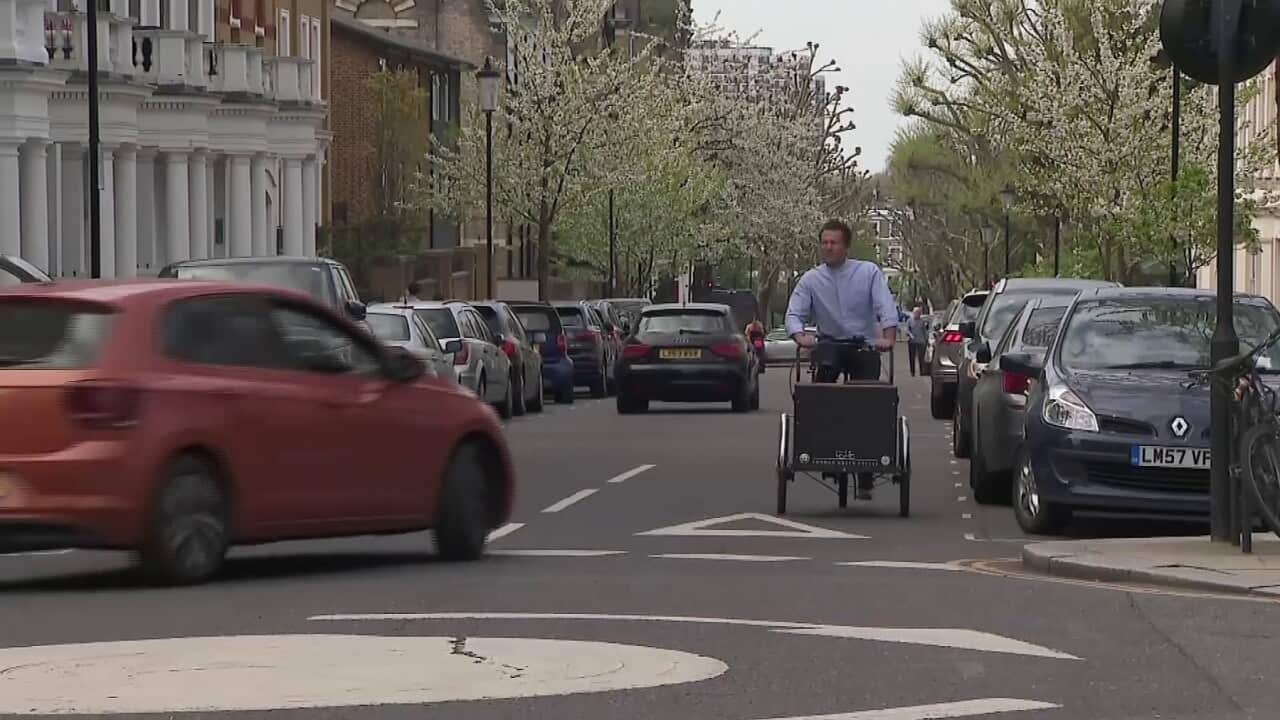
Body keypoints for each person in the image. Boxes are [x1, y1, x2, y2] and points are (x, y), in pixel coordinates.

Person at [785, 218, 898, 500]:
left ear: (846, 246)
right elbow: (794, 313)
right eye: (824, 242)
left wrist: (888, 336)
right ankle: (824, 451)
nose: (828, 247)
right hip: (830, 344)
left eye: (834, 242)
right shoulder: (811, 279)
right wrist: (800, 336)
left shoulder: (868, 272)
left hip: (863, 344)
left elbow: (885, 305)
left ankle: (866, 472)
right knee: (821, 391)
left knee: (869, 401)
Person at [906, 306, 927, 376]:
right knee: (912, 357)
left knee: (921, 357)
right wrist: (910, 335)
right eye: (916, 313)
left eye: (918, 313)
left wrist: (926, 340)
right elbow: (907, 330)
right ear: (913, 313)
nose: (917, 314)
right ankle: (912, 372)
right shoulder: (909, 321)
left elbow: (924, 331)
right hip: (912, 342)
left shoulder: (922, 321)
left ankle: (921, 371)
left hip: (921, 342)